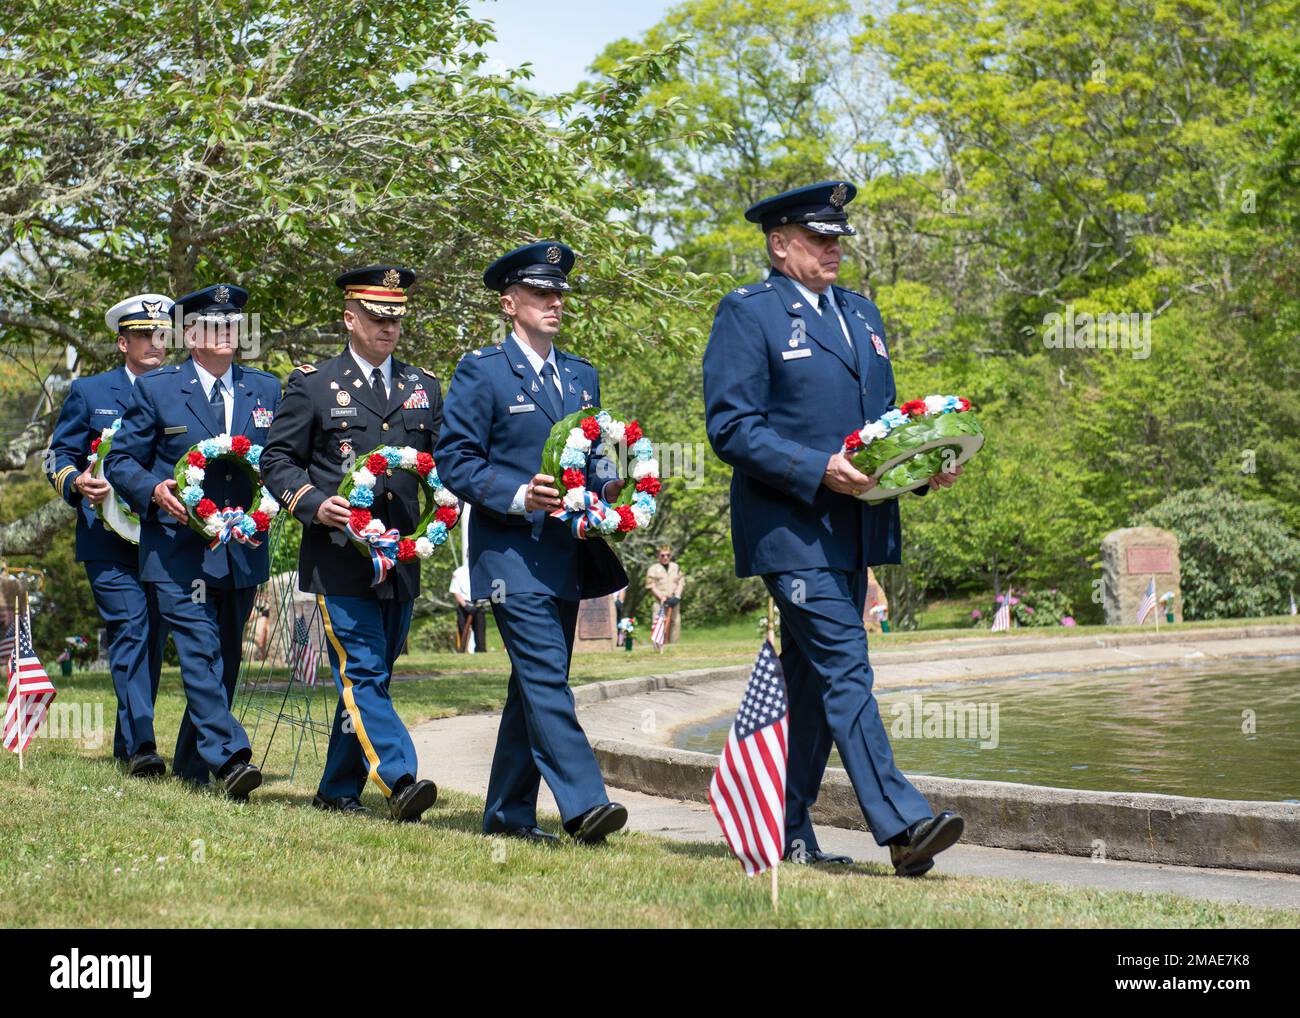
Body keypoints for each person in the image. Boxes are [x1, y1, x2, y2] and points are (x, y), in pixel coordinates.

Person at [702, 181, 965, 876]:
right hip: (790, 530)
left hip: (856, 530)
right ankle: (904, 826)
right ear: (779, 244)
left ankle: (783, 827)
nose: (833, 249)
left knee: (812, 683)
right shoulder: (747, 313)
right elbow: (730, 429)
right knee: (847, 665)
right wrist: (814, 467)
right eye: (819, 238)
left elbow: (878, 434)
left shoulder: (862, 313)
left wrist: (922, 467)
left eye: (838, 238)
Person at [435, 240, 629, 845]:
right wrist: (520, 494)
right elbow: (455, 461)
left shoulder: (581, 375)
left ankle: (507, 816)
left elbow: (593, 458)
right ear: (509, 303)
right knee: (547, 676)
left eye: (560, 293)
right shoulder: (482, 371)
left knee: (531, 685)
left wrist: (612, 487)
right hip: (509, 553)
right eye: (542, 292)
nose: (555, 302)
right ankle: (585, 803)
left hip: (567, 551)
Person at [259, 266, 440, 822]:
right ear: (350, 318)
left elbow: (444, 464)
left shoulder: (424, 386)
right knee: (361, 670)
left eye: (396, 319)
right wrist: (313, 502)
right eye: (377, 318)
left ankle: (336, 789)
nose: (389, 328)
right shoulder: (313, 384)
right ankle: (400, 776)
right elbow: (276, 461)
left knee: (373, 678)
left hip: (402, 558)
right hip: (338, 557)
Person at [105, 283, 279, 799]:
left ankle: (190, 765)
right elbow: (119, 461)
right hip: (177, 550)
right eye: (214, 325)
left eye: (233, 325)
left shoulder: (265, 389)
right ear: (189, 335)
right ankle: (231, 758)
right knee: (200, 652)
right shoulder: (158, 388)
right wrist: (152, 489)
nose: (227, 334)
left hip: (242, 550)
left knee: (225, 658)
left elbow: (277, 460)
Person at [47, 293, 172, 778]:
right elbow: (59, 453)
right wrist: (76, 481)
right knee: (130, 629)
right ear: (123, 342)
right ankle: (144, 744)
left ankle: (129, 745)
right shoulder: (90, 391)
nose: (153, 343)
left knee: (154, 639)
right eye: (143, 334)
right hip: (106, 540)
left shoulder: (181, 389)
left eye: (160, 334)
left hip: (164, 539)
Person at [644, 544, 685, 643]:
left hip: (674, 601)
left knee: (675, 622)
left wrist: (677, 596)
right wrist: (662, 597)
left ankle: (673, 646)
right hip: (660, 602)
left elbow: (681, 582)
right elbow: (651, 585)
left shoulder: (676, 567)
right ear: (658, 556)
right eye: (662, 555)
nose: (665, 557)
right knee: (659, 623)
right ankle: (659, 645)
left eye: (668, 555)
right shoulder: (653, 569)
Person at [449, 563, 486, 653]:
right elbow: (455, 591)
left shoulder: (483, 570)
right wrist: (465, 606)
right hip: (464, 606)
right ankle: (462, 651)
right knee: (463, 633)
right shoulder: (459, 572)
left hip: (478, 606)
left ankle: (481, 652)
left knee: (480, 635)